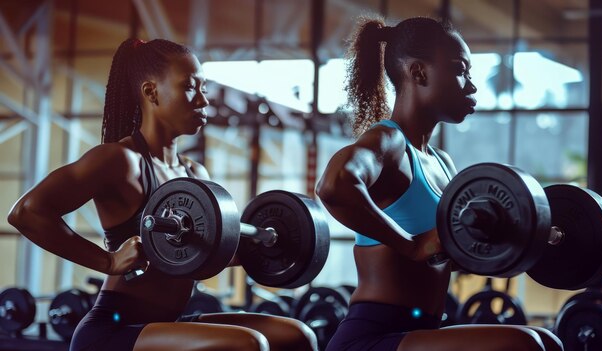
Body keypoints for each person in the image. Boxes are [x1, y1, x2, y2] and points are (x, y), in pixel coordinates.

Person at [8, 38, 316, 351]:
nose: (202, 101)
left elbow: (207, 254)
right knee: (247, 345)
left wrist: (271, 245)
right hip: (114, 331)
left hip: (168, 324)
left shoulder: (195, 174)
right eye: (189, 87)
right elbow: (28, 212)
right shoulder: (121, 161)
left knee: (297, 336)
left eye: (204, 88)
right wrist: (108, 260)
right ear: (151, 92)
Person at [315, 16, 563, 351]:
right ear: (419, 73)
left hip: (424, 331)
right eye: (461, 69)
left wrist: (527, 238)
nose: (471, 85)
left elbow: (454, 253)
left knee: (547, 340)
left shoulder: (443, 164)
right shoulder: (389, 141)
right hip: (372, 337)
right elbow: (334, 185)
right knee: (523, 344)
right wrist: (411, 245)